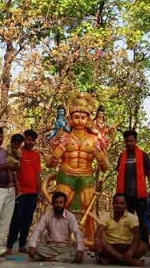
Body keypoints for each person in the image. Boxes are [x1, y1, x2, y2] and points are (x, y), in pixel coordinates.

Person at [46, 93, 108, 243]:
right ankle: (59, 238)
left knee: (88, 209)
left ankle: (89, 240)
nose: (79, 120)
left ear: (88, 119)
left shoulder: (95, 139)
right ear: (71, 118)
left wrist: (101, 160)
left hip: (86, 176)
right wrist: (55, 156)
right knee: (61, 206)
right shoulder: (63, 137)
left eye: (83, 117)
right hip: (66, 174)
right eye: (76, 116)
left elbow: (105, 167)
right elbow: (49, 163)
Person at [116, 130, 150, 246]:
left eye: (131, 141)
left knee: (143, 220)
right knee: (126, 221)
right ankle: (128, 243)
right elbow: (119, 174)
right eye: (127, 141)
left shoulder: (143, 155)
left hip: (139, 195)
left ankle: (145, 244)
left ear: (136, 141)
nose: (129, 143)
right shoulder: (122, 156)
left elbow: (149, 173)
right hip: (125, 196)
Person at [6, 129, 41, 254]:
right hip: (20, 192)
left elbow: (38, 175)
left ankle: (22, 245)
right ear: (24, 139)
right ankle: (9, 246)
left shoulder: (36, 155)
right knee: (16, 219)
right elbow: (12, 168)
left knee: (27, 219)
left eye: (32, 140)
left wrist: (39, 192)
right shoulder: (18, 152)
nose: (30, 142)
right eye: (28, 139)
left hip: (32, 193)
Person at [27, 191, 85, 263]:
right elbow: (38, 231)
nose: (58, 205)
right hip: (50, 247)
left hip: (65, 247)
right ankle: (61, 258)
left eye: (61, 202)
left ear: (65, 204)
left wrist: (80, 249)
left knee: (79, 252)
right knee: (30, 246)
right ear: (52, 203)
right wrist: (32, 246)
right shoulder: (46, 216)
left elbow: (77, 233)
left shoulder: (70, 216)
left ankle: (49, 258)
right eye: (56, 202)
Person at [93, 193, 149, 266]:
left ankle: (111, 260)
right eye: (116, 203)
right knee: (98, 241)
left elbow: (137, 236)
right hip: (110, 247)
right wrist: (97, 240)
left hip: (126, 246)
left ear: (126, 205)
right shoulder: (106, 216)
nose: (119, 206)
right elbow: (99, 231)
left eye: (122, 203)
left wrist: (130, 252)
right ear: (112, 204)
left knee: (144, 246)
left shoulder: (132, 217)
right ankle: (126, 260)